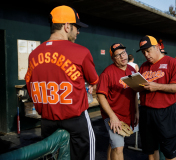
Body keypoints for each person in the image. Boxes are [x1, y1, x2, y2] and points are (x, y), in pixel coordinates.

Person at [24, 5, 99, 160]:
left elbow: (30, 87)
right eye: (76, 27)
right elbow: (94, 81)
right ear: (66, 26)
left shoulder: (33, 54)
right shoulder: (81, 51)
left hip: (47, 122)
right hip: (75, 120)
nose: (78, 31)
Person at [136, 35, 176, 160]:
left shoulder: (172, 63)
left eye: (148, 51)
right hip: (146, 112)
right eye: (144, 52)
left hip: (164, 112)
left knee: (170, 152)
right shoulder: (143, 66)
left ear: (157, 47)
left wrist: (157, 86)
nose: (146, 55)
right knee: (151, 150)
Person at [96, 43, 139, 160]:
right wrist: (112, 116)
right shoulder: (107, 72)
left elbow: (134, 92)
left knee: (114, 143)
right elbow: (100, 96)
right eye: (118, 55)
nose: (122, 56)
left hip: (127, 113)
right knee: (119, 147)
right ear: (113, 58)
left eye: (123, 53)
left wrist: (136, 112)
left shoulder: (131, 70)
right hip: (112, 114)